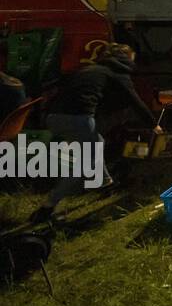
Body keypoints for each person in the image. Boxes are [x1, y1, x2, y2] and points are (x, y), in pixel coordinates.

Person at [31, 43, 161, 223]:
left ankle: (105, 182)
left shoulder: (92, 69)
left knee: (97, 141)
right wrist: (153, 124)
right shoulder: (118, 72)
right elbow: (135, 101)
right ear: (126, 58)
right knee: (86, 165)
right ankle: (48, 206)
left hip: (53, 117)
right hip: (78, 119)